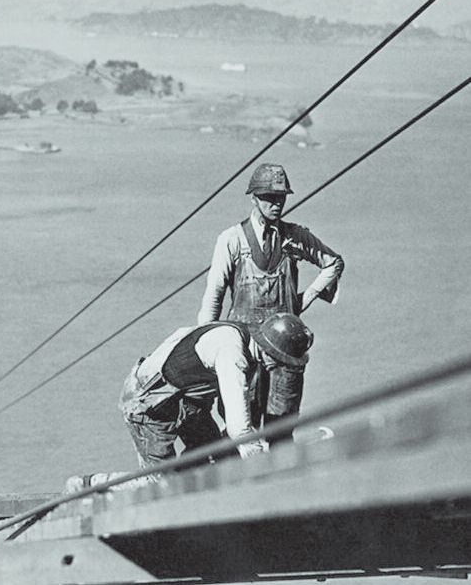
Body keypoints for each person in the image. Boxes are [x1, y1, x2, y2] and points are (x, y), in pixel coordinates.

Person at [197, 163, 344, 435]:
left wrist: (306, 298)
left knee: (282, 428)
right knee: (241, 427)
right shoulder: (231, 241)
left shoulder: (295, 237)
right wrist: (204, 346)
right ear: (254, 199)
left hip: (286, 350)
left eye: (281, 198)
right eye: (269, 198)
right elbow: (214, 295)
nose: (276, 204)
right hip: (244, 349)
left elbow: (333, 263)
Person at [119, 313, 314, 466]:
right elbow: (239, 429)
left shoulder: (249, 341)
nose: (280, 367)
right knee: (160, 485)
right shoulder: (233, 355)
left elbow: (229, 409)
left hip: (184, 400)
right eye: (281, 361)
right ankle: (94, 483)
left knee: (213, 456)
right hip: (147, 404)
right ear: (269, 352)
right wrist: (260, 458)